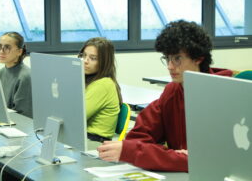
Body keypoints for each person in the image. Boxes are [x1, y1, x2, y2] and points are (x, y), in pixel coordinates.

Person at [97, 20, 233, 172]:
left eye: (177, 59)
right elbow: (137, 139)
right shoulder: (172, 91)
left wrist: (164, 156)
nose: (170, 66)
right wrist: (174, 156)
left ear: (198, 58)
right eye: (167, 58)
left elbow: (208, 160)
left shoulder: (224, 95)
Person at [78, 37, 122, 145]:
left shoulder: (103, 84)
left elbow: (77, 116)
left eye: (93, 58)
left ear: (104, 62)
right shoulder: (91, 80)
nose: (85, 61)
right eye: (84, 56)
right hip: (85, 138)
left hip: (95, 142)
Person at [0, 32, 32, 118]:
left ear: (19, 52)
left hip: (18, 126)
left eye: (7, 47)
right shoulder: (1, 72)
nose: (1, 51)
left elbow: (23, 116)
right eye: (0, 46)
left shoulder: (25, 76)